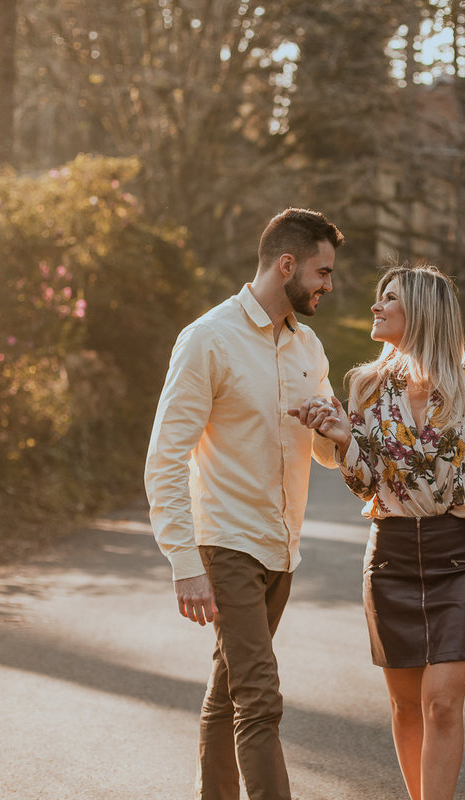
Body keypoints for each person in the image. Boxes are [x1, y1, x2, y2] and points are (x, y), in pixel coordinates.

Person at [294, 263, 465, 800]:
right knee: (404, 705)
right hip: (390, 559)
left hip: (458, 561)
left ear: (420, 312)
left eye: (388, 298)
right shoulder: (367, 387)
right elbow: (364, 485)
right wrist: (346, 439)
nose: (376, 306)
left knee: (442, 702)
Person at [145, 208, 344, 800]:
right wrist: (185, 563)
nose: (328, 286)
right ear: (287, 265)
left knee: (227, 692)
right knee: (260, 698)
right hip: (227, 543)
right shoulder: (209, 338)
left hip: (282, 550)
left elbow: (328, 454)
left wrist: (334, 429)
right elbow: (165, 456)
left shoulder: (308, 346)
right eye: (322, 271)